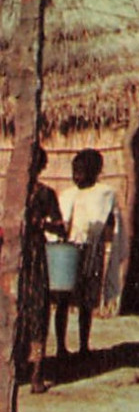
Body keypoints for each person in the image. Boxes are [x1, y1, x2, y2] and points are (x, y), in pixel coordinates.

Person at [53, 149, 120, 360]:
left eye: (81, 172)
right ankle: (61, 347)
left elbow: (110, 224)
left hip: (91, 251)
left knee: (86, 301)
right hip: (67, 251)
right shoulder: (67, 194)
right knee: (63, 300)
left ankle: (83, 345)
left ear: (94, 172)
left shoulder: (104, 194)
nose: (77, 176)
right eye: (74, 171)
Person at [16, 147, 64, 393]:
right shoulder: (13, 192)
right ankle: (16, 367)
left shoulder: (46, 194)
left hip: (35, 258)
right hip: (14, 259)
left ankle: (36, 373)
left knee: (37, 313)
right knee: (14, 313)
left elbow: (60, 227)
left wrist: (41, 223)